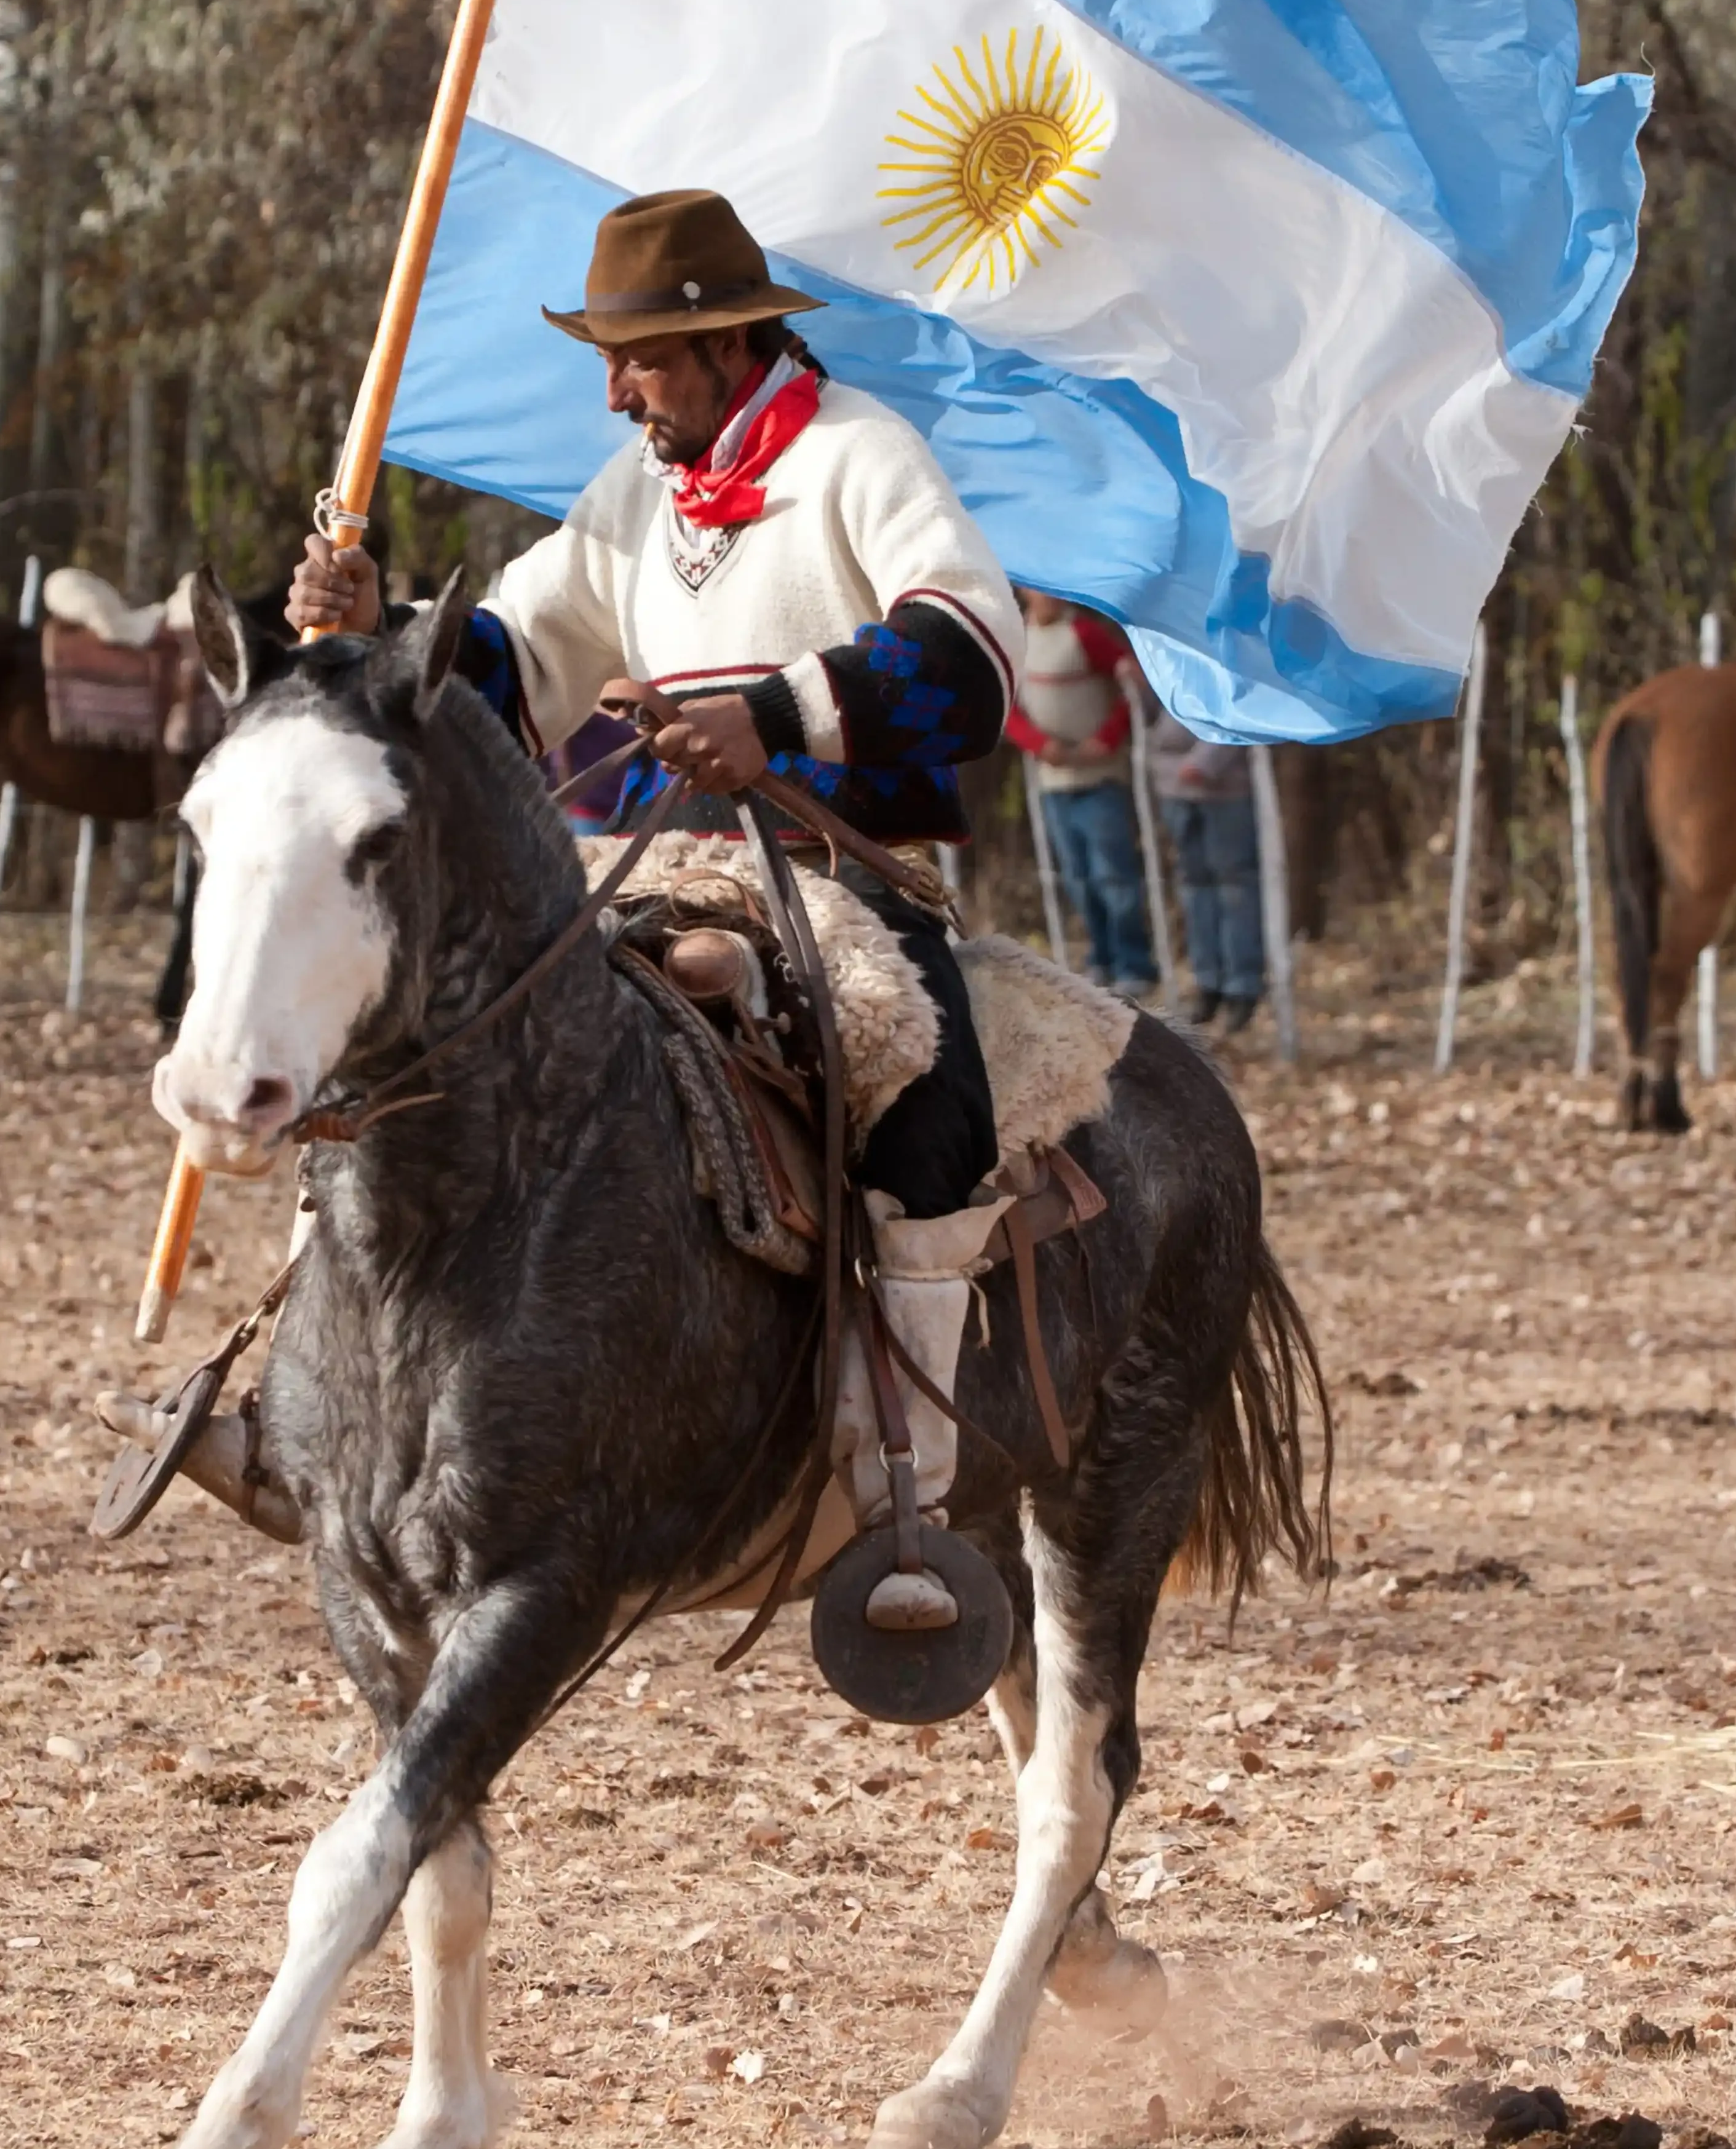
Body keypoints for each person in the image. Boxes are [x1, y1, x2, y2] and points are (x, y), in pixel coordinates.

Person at [285, 189, 1022, 1636]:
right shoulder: (636, 492)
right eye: (611, 360)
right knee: (426, 1057)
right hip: (665, 874)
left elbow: (970, 657)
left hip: (845, 876)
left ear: (729, 344)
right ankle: (343, 1404)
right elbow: (509, 662)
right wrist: (374, 634)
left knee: (927, 1097)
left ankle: (910, 1474)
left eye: (641, 360)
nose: (616, 390)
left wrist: (777, 710)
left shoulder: (862, 457)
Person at [1008, 590, 1159, 998]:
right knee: (1076, 876)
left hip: (1100, 779)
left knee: (1114, 875)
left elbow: (1131, 688)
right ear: (1025, 591)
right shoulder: (1016, 637)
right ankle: (1101, 959)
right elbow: (1008, 708)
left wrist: (1106, 740)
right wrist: (1039, 745)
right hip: (1053, 781)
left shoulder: (1085, 633)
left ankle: (1135, 963)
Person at [1141, 689, 1264, 1034]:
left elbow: (1243, 710)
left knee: (1235, 888)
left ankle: (1243, 985)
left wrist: (1206, 762)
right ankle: (1208, 983)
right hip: (1174, 790)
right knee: (1195, 888)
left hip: (1225, 790)